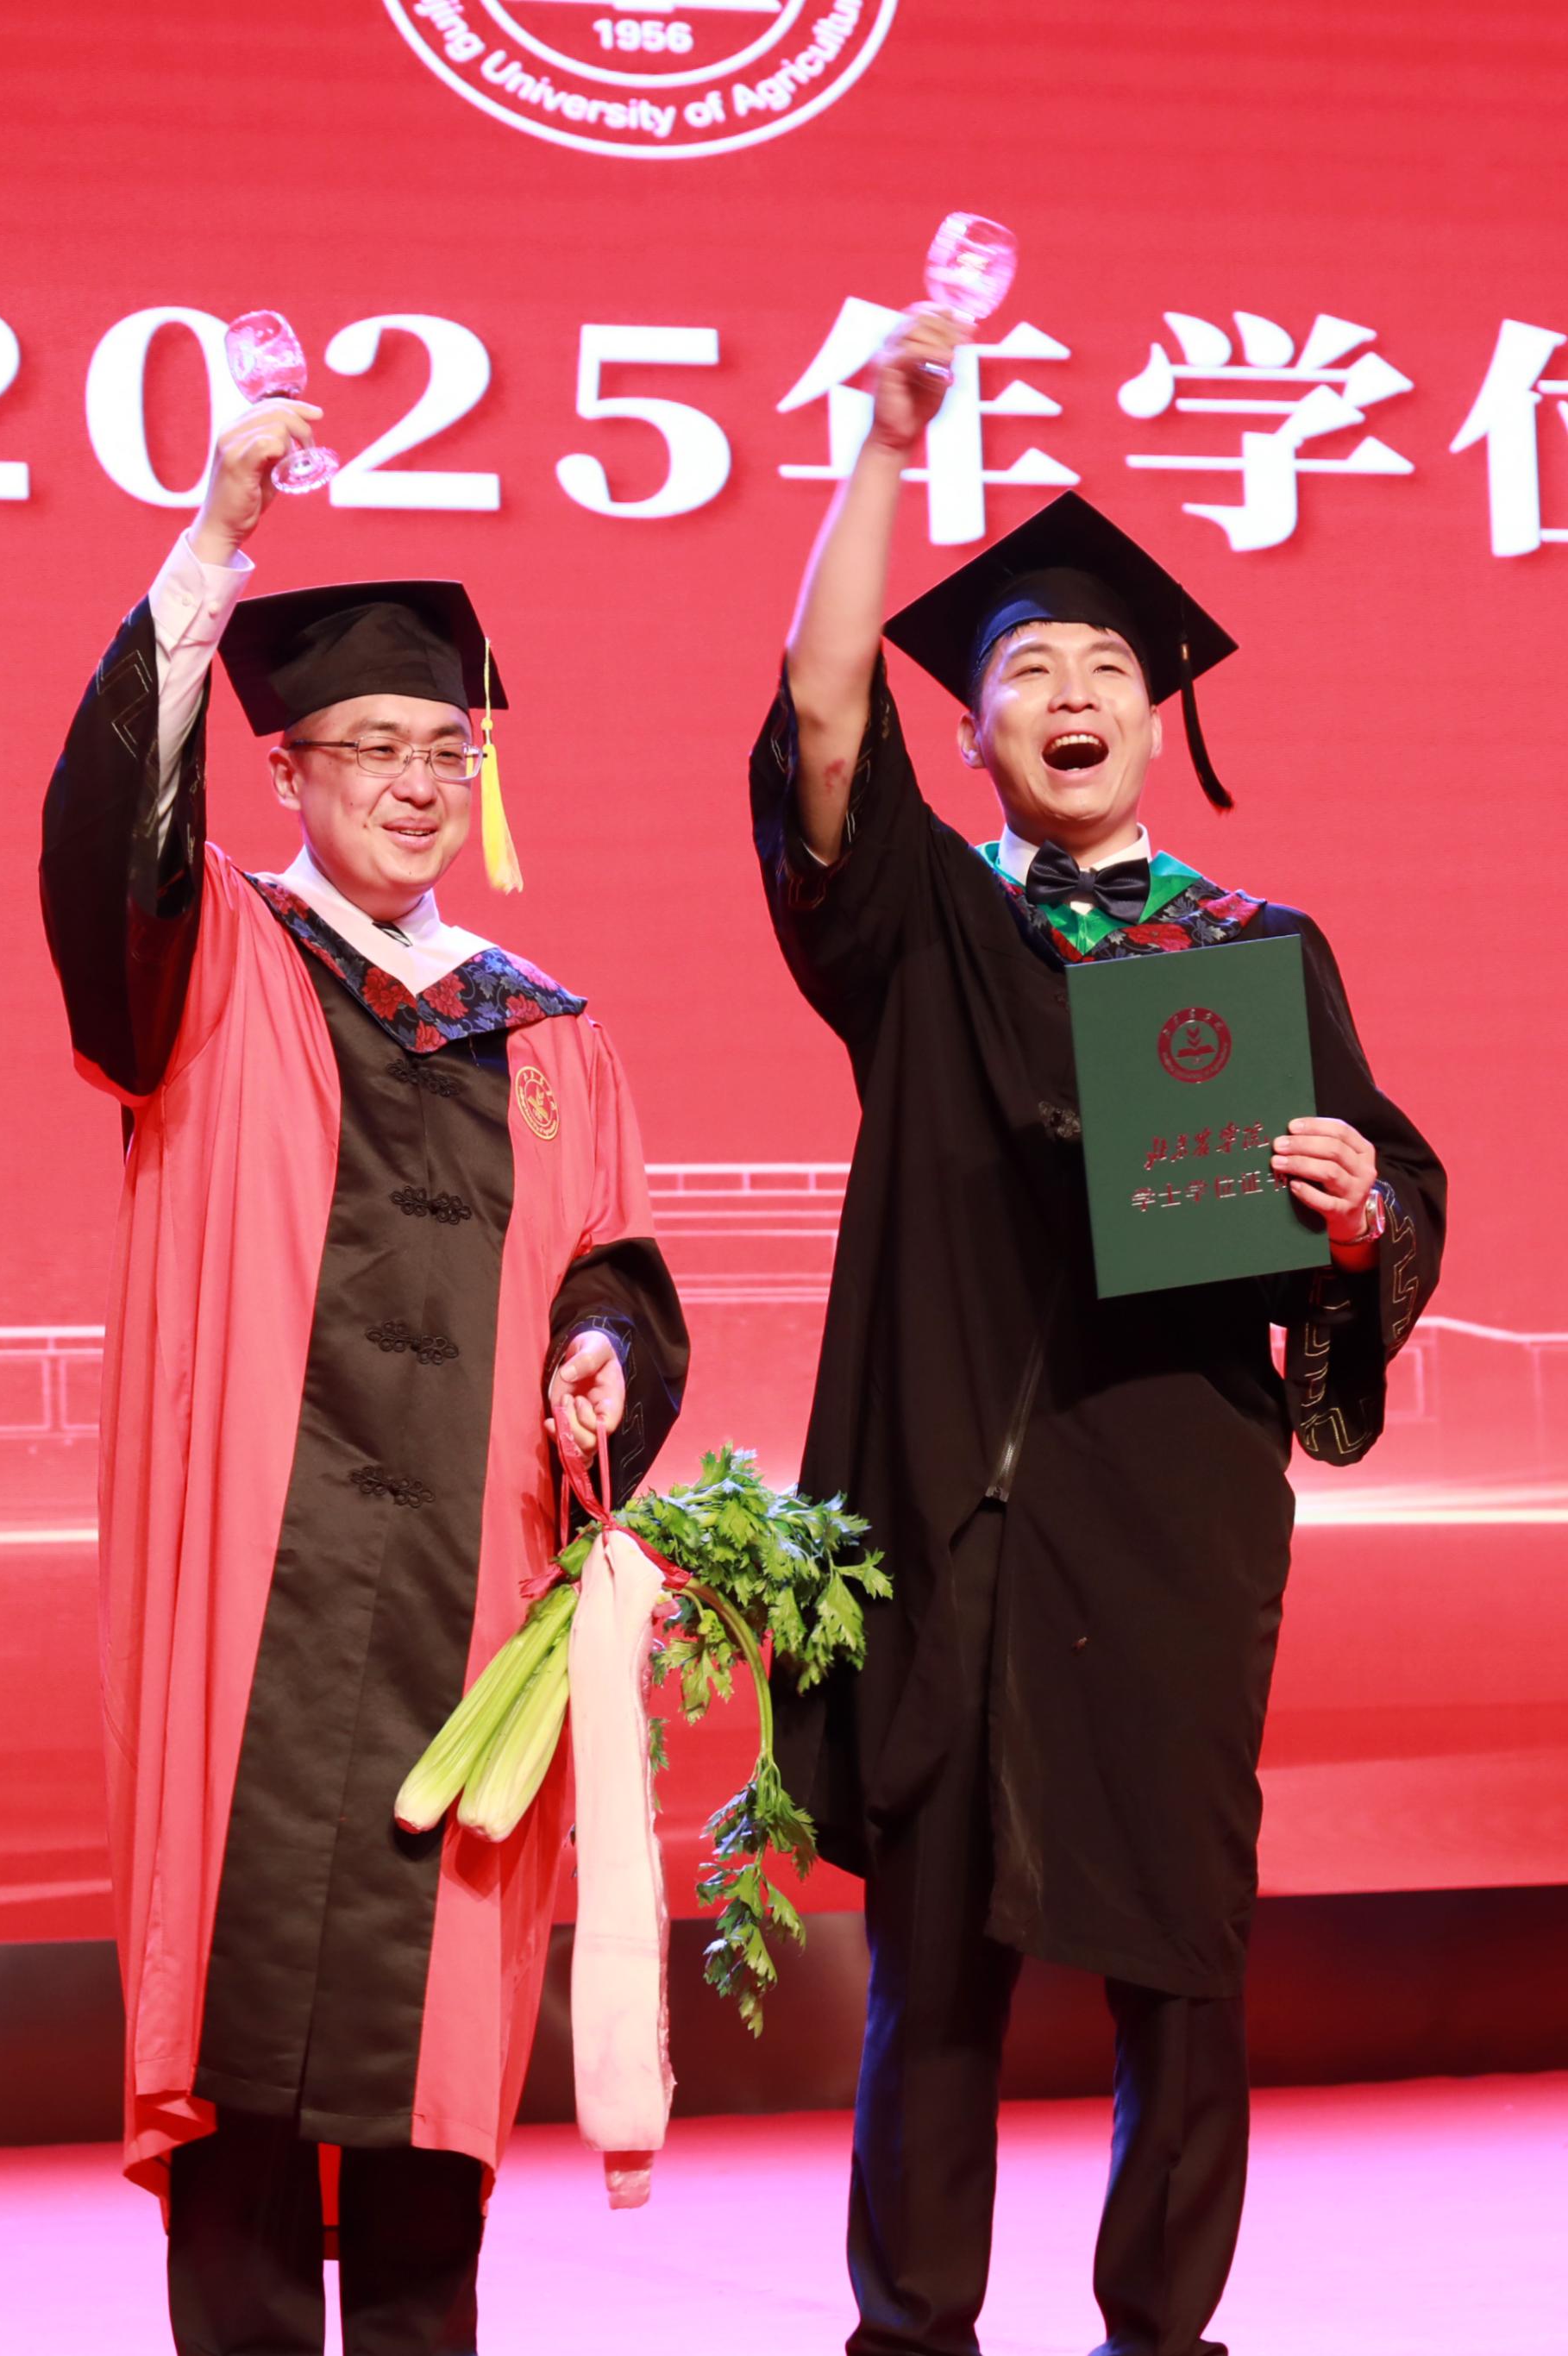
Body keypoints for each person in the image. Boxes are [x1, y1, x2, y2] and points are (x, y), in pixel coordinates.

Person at [750, 306, 1446, 2356]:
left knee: (1180, 1952)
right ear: (969, 734)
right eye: (1023, 673)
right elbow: (818, 725)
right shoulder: (927, 934)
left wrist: (1355, 1208)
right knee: (935, 1969)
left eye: (1104, 671)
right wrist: (886, 449)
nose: (1068, 695)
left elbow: (1385, 1202)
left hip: (1168, 1510)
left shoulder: (1256, 952)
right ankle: (912, 2328)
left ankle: (1162, 2327)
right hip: (954, 1507)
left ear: (1159, 716)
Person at [41, 395, 689, 2356]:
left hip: (462, 1635)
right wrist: (211, 542)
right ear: (287, 767)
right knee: (243, 2118)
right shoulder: (211, 966)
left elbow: (620, 1277)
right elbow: (107, 843)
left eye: (449, 752)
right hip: (258, 1624)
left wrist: (600, 1358)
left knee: (426, 2139)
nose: (418, 785)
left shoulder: (551, 1033)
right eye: (377, 748)